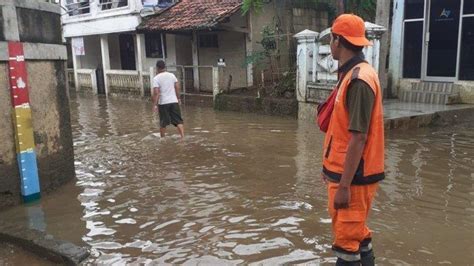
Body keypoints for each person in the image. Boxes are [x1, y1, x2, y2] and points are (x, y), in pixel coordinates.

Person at [321, 14, 385, 266]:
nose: (330, 45)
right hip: (346, 173)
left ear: (338, 41)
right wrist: (328, 169)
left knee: (346, 247)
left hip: (353, 178)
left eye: (331, 40)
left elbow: (358, 138)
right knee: (359, 238)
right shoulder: (355, 74)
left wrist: (345, 185)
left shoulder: (358, 80)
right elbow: (341, 132)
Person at [152, 60, 184, 138]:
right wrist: (178, 98)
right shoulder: (172, 75)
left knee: (163, 123)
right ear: (165, 67)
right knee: (178, 121)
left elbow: (156, 93)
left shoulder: (156, 78)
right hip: (174, 101)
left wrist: (155, 105)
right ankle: (182, 137)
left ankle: (162, 139)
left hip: (163, 103)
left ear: (157, 68)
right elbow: (177, 87)